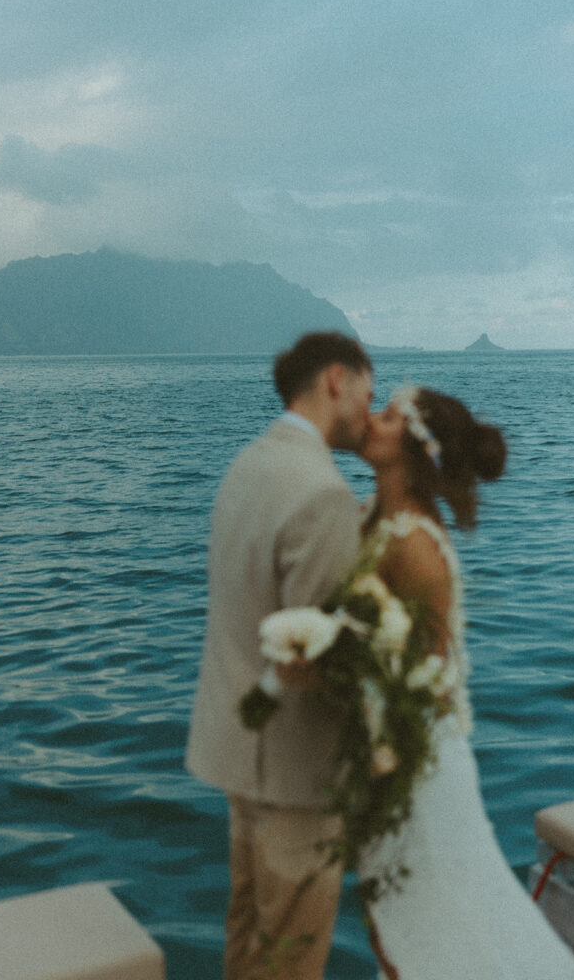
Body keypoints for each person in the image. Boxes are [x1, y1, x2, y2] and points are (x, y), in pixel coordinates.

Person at [355, 384, 574, 980]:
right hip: (384, 746)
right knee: (394, 917)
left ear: (411, 448)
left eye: (385, 417)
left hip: (414, 757)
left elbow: (427, 672)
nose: (370, 419)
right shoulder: (374, 516)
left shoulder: (413, 545)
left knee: (428, 920)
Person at [185, 332, 374, 980]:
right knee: (289, 960)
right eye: (367, 395)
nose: (368, 416)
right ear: (334, 382)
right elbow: (316, 657)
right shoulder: (320, 492)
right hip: (295, 773)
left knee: (246, 943)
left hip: (238, 753)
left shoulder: (251, 463)